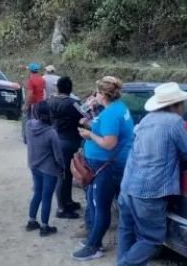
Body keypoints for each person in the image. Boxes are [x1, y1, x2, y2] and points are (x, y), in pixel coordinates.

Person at [117, 83, 187, 266]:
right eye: (182, 104)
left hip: (128, 185)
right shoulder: (174, 122)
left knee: (127, 231)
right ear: (175, 105)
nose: (184, 108)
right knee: (151, 239)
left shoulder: (146, 120)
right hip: (150, 190)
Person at [73, 76, 134, 261]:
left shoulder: (111, 113)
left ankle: (94, 246)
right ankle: (94, 239)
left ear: (104, 94)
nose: (95, 95)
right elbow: (106, 129)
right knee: (97, 202)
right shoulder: (118, 108)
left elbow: (109, 143)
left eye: (97, 92)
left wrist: (89, 134)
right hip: (108, 165)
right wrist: (91, 121)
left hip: (107, 166)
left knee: (101, 206)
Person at [25, 101, 65, 237]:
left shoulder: (28, 125)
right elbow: (58, 156)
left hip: (33, 165)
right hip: (49, 169)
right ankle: (44, 226)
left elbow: (26, 140)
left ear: (35, 112)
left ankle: (31, 221)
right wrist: (62, 168)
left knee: (37, 192)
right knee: (46, 196)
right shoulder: (51, 133)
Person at [48, 76, 84, 219]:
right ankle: (62, 208)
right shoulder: (74, 103)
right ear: (70, 88)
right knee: (64, 175)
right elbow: (83, 118)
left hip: (56, 139)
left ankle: (67, 202)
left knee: (65, 174)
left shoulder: (50, 102)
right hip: (69, 141)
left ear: (58, 88)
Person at [22, 63, 46, 142]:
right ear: (37, 71)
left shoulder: (31, 80)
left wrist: (25, 105)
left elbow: (30, 94)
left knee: (27, 120)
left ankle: (27, 137)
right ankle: (37, 137)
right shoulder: (42, 79)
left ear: (30, 71)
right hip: (40, 103)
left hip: (32, 104)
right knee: (38, 120)